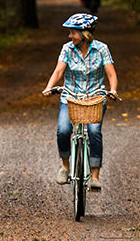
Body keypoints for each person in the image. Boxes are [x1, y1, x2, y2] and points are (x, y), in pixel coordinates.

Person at [41, 13, 118, 190]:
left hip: (95, 98)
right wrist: (49, 87)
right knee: (63, 130)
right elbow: (59, 71)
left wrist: (112, 90)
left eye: (73, 33)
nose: (70, 36)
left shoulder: (101, 49)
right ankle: (65, 167)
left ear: (85, 34)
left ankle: (95, 176)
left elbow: (111, 74)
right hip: (70, 97)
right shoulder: (67, 49)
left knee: (94, 131)